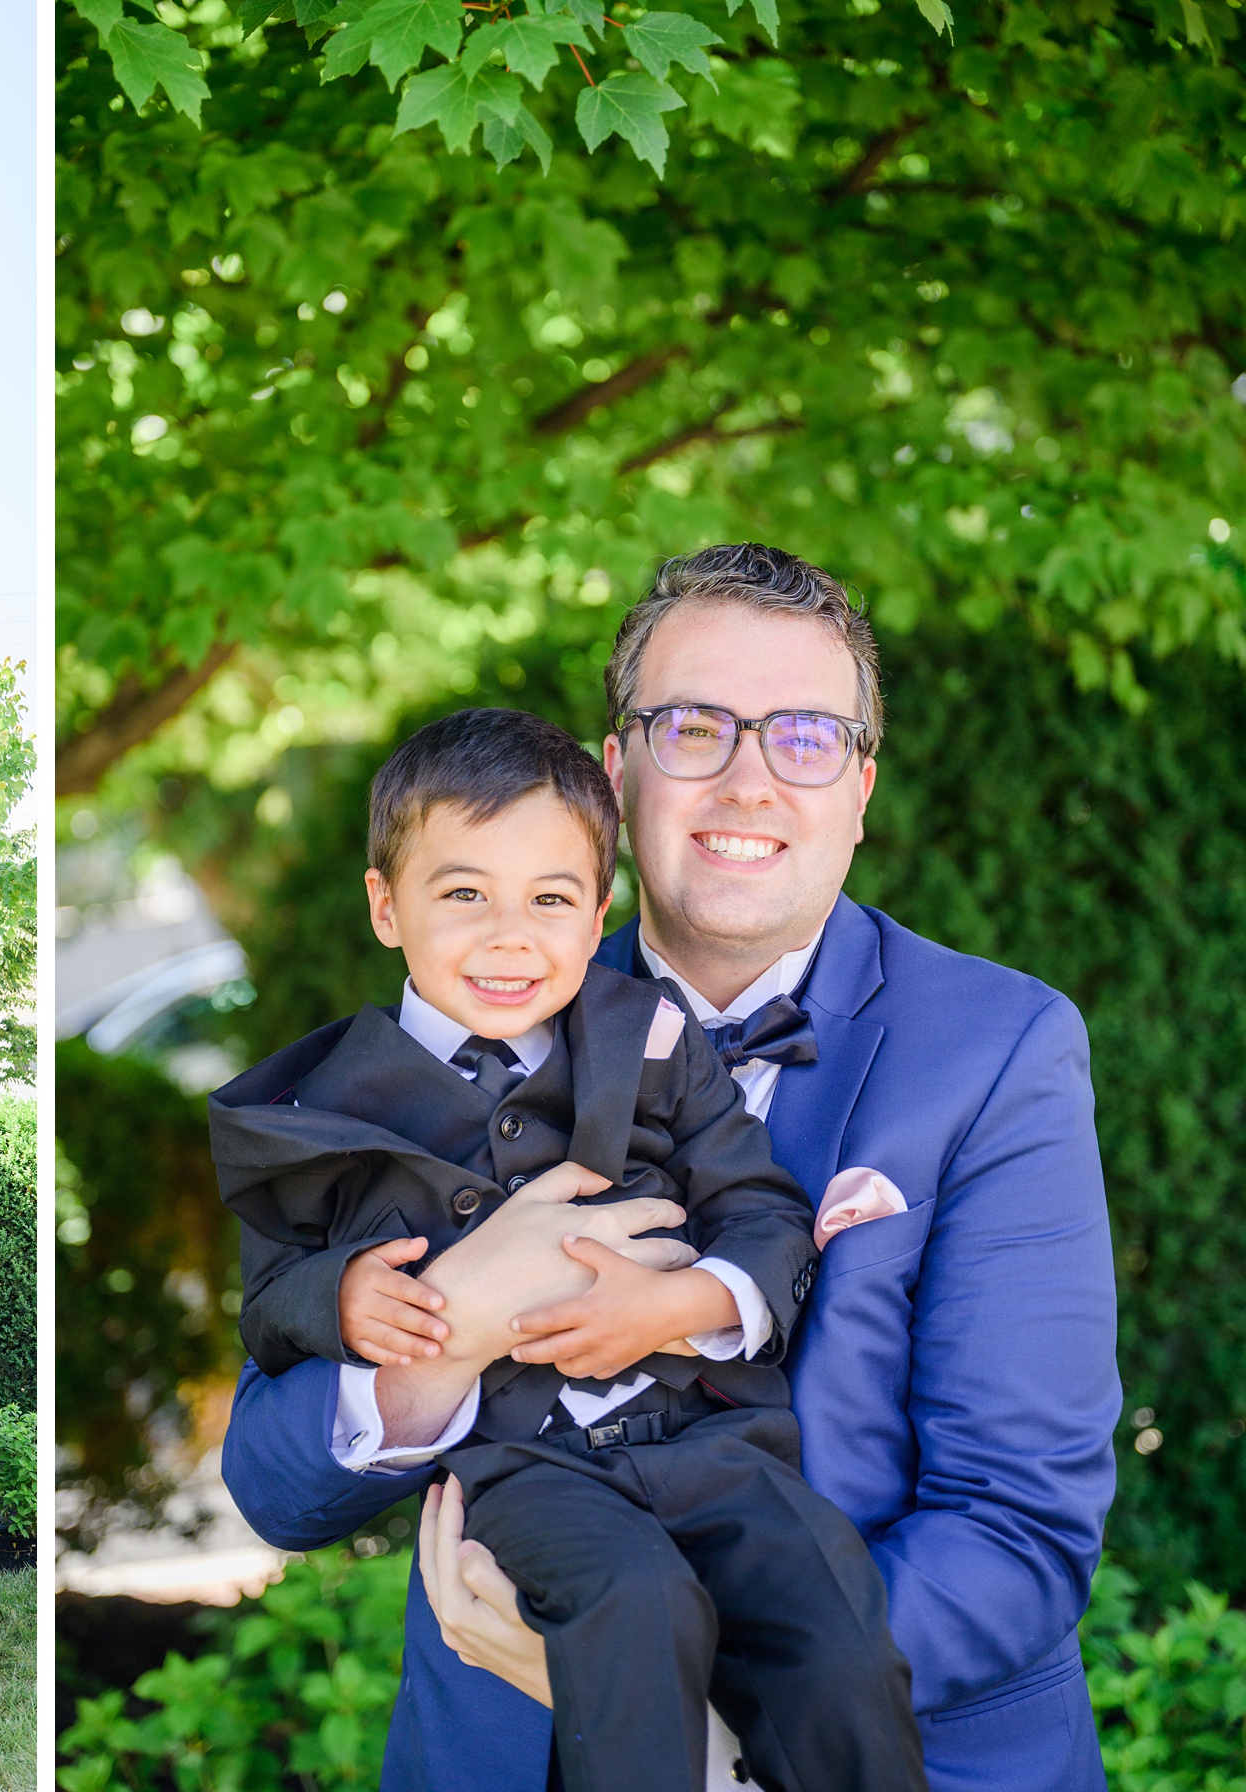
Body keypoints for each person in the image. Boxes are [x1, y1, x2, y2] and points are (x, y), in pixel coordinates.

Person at [222, 544, 1120, 1792]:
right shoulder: (463, 1015)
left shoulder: (1002, 1049)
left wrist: (643, 1677)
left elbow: (1017, 1528)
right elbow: (270, 1475)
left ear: (860, 784)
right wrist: (453, 1326)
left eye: (804, 736)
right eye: (694, 726)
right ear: (615, 771)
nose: (748, 779)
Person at [212, 707, 920, 1792]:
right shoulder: (314, 1112)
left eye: (549, 900)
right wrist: (347, 1294)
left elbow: (764, 1214)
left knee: (829, 1610)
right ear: (384, 905)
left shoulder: (652, 1041)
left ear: (599, 916)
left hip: (707, 1441)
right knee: (638, 1599)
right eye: (463, 895)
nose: (509, 935)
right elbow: (271, 1305)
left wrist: (683, 1305)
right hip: (525, 1467)